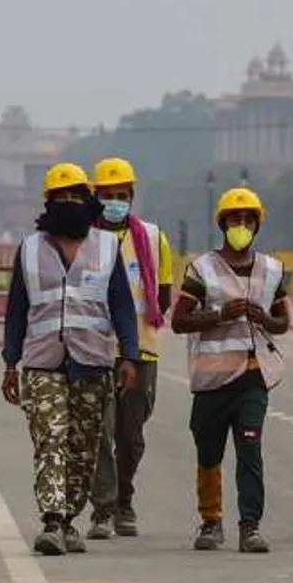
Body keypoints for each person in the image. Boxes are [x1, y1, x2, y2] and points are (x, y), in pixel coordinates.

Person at [1, 161, 140, 556]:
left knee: (84, 448)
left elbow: (122, 307)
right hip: (43, 361)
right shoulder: (29, 249)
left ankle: (71, 516)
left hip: (92, 361)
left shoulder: (107, 247)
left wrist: (129, 356)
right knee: (51, 440)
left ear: (86, 200)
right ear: (47, 203)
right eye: (59, 198)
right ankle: (52, 520)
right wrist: (11, 363)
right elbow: (16, 310)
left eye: (75, 196)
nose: (68, 203)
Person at [171, 187, 289, 553]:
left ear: (257, 224)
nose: (241, 225)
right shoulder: (202, 269)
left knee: (250, 450)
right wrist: (221, 314)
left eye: (247, 220)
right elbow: (179, 321)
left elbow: (283, 321)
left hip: (253, 378)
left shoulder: (272, 269)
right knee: (209, 454)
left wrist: (266, 319)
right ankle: (211, 521)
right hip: (212, 379)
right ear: (223, 224)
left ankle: (249, 526)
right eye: (234, 220)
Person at [85, 157, 174, 540]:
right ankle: (104, 508)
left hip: (141, 350)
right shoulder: (83, 239)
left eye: (122, 195)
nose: (115, 202)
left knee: (130, 436)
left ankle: (124, 495)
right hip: (93, 349)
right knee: (97, 432)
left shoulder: (153, 238)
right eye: (108, 196)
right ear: (96, 197)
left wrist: (134, 334)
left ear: (132, 197)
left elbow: (164, 294)